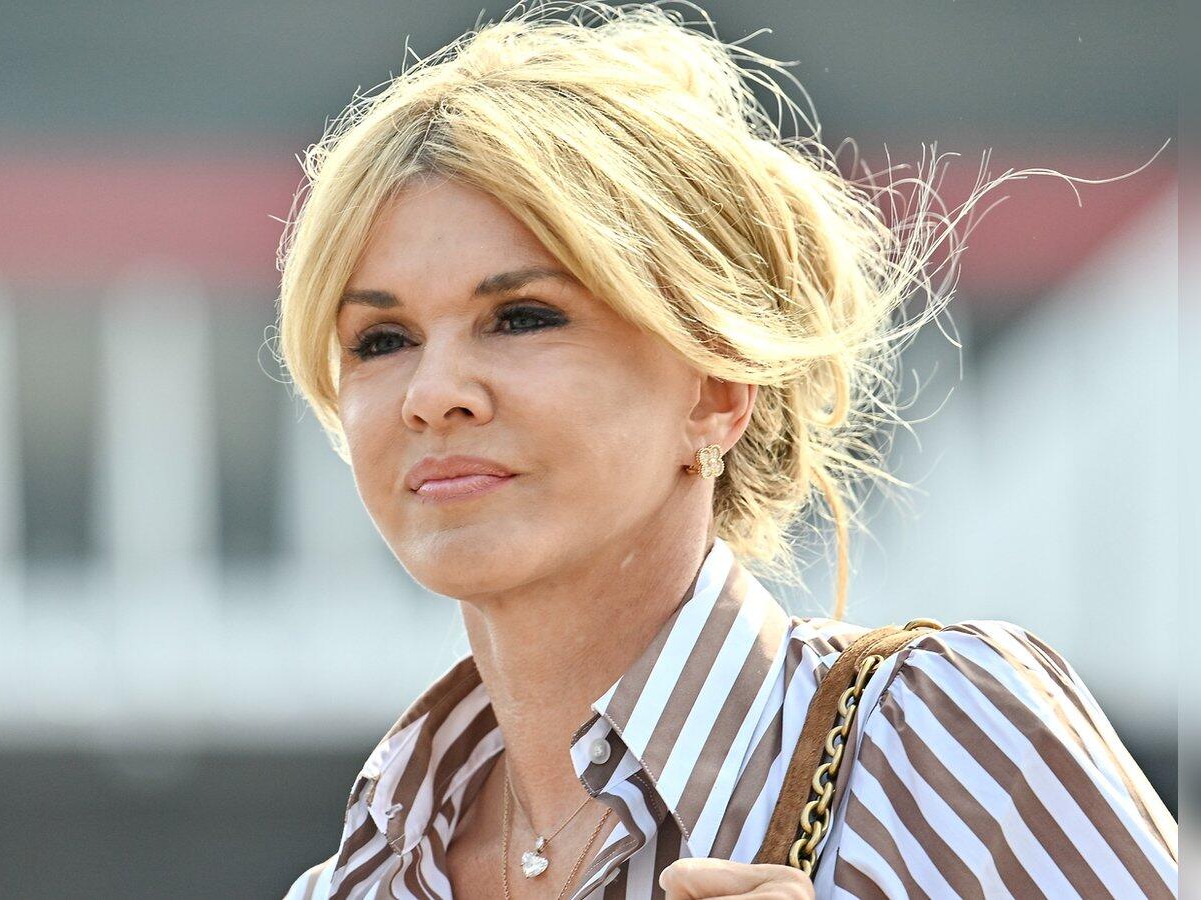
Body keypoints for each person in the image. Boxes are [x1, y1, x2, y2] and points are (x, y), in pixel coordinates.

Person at [273, 2, 1177, 897]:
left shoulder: (946, 746)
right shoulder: (351, 885)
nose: (433, 394)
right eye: (381, 340)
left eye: (522, 317)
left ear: (714, 388)